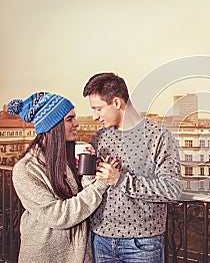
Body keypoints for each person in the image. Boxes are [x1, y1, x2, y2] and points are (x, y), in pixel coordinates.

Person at [7, 92, 121, 263]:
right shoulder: (25, 170)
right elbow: (59, 215)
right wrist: (100, 184)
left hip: (78, 256)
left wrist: (90, 170)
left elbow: (84, 199)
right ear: (52, 126)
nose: (77, 124)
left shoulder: (66, 159)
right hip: (46, 257)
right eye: (69, 119)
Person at [82, 72, 182, 263]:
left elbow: (172, 190)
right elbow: (91, 187)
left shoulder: (159, 136)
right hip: (100, 239)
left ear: (117, 103)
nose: (94, 116)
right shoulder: (99, 137)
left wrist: (120, 180)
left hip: (142, 243)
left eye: (98, 109)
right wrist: (87, 170)